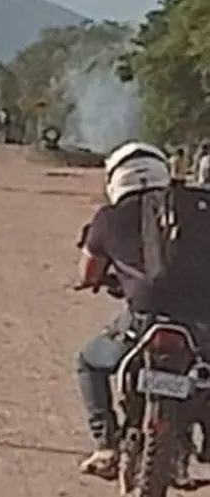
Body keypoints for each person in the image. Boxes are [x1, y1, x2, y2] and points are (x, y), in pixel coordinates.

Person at [74, 141, 210, 479]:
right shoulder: (199, 204)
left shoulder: (107, 219)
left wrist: (98, 280)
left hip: (142, 322)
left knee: (89, 361)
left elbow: (88, 274)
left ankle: (106, 445)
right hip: (201, 323)